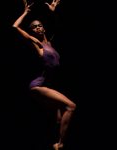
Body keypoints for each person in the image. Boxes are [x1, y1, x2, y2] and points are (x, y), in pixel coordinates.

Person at [12, 0, 76, 149]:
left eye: (39, 25)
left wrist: (53, 13)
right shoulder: (37, 44)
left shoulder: (50, 43)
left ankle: (51, 142)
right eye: (34, 27)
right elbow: (14, 27)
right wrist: (25, 13)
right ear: (32, 31)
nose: (37, 28)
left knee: (59, 118)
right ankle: (60, 145)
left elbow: (59, 27)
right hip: (37, 86)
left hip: (46, 84)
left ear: (44, 28)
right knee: (71, 106)